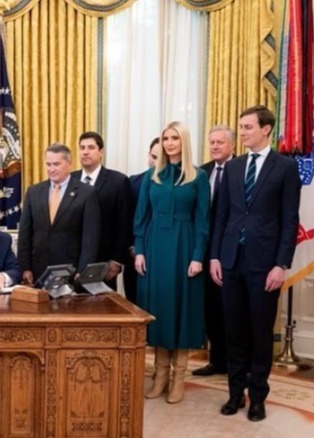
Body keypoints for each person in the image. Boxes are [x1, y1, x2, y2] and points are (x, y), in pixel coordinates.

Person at [210, 105, 301, 422]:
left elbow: (290, 221)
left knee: (260, 333)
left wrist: (281, 264)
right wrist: (215, 256)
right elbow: (221, 216)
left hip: (265, 265)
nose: (243, 132)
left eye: (248, 127)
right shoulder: (233, 167)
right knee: (234, 332)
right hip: (231, 260)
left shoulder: (286, 167)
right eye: (241, 126)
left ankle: (258, 396)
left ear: (266, 129)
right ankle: (235, 393)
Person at [134, 121, 209, 404]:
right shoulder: (152, 176)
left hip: (186, 246)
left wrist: (198, 256)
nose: (169, 143)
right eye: (166, 138)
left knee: (183, 311)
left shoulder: (198, 177)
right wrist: (140, 250)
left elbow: (204, 221)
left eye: (175, 138)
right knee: (160, 311)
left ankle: (179, 378)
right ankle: (160, 375)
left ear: (184, 141)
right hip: (155, 248)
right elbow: (140, 217)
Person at [17, 143, 100, 285]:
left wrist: (82, 269)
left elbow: (90, 237)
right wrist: (25, 267)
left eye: (56, 164)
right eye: (48, 164)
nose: (51, 169)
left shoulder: (87, 193)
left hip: (70, 269)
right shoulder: (33, 192)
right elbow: (25, 233)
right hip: (38, 269)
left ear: (69, 164)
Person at [191, 125, 236, 377]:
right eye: (212, 142)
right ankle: (216, 360)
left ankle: (237, 364)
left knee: (231, 309)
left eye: (220, 142)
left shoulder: (241, 169)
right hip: (205, 250)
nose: (215, 146)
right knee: (211, 309)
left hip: (231, 251)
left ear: (232, 145)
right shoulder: (201, 172)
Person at [70, 131, 131, 291]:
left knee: (103, 309)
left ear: (101, 152)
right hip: (72, 262)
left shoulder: (118, 181)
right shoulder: (69, 180)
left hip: (104, 262)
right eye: (82, 148)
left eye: (91, 147)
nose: (85, 152)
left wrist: (117, 260)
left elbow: (123, 223)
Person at [124, 137, 161, 303]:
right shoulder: (133, 182)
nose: (155, 162)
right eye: (153, 157)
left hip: (163, 254)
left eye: (160, 158)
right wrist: (133, 247)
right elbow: (126, 218)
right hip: (136, 255)